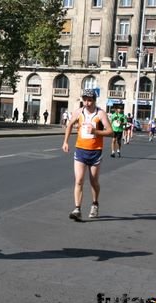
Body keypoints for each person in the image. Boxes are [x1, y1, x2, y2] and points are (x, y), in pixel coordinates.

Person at [62, 89, 112, 221]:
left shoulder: (100, 114)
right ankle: (77, 209)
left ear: (94, 100)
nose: (87, 103)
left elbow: (110, 132)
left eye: (89, 100)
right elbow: (69, 125)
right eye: (85, 99)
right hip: (80, 150)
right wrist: (66, 142)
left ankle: (95, 204)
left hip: (95, 151)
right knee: (78, 180)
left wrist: (96, 131)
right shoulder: (79, 112)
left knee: (93, 181)